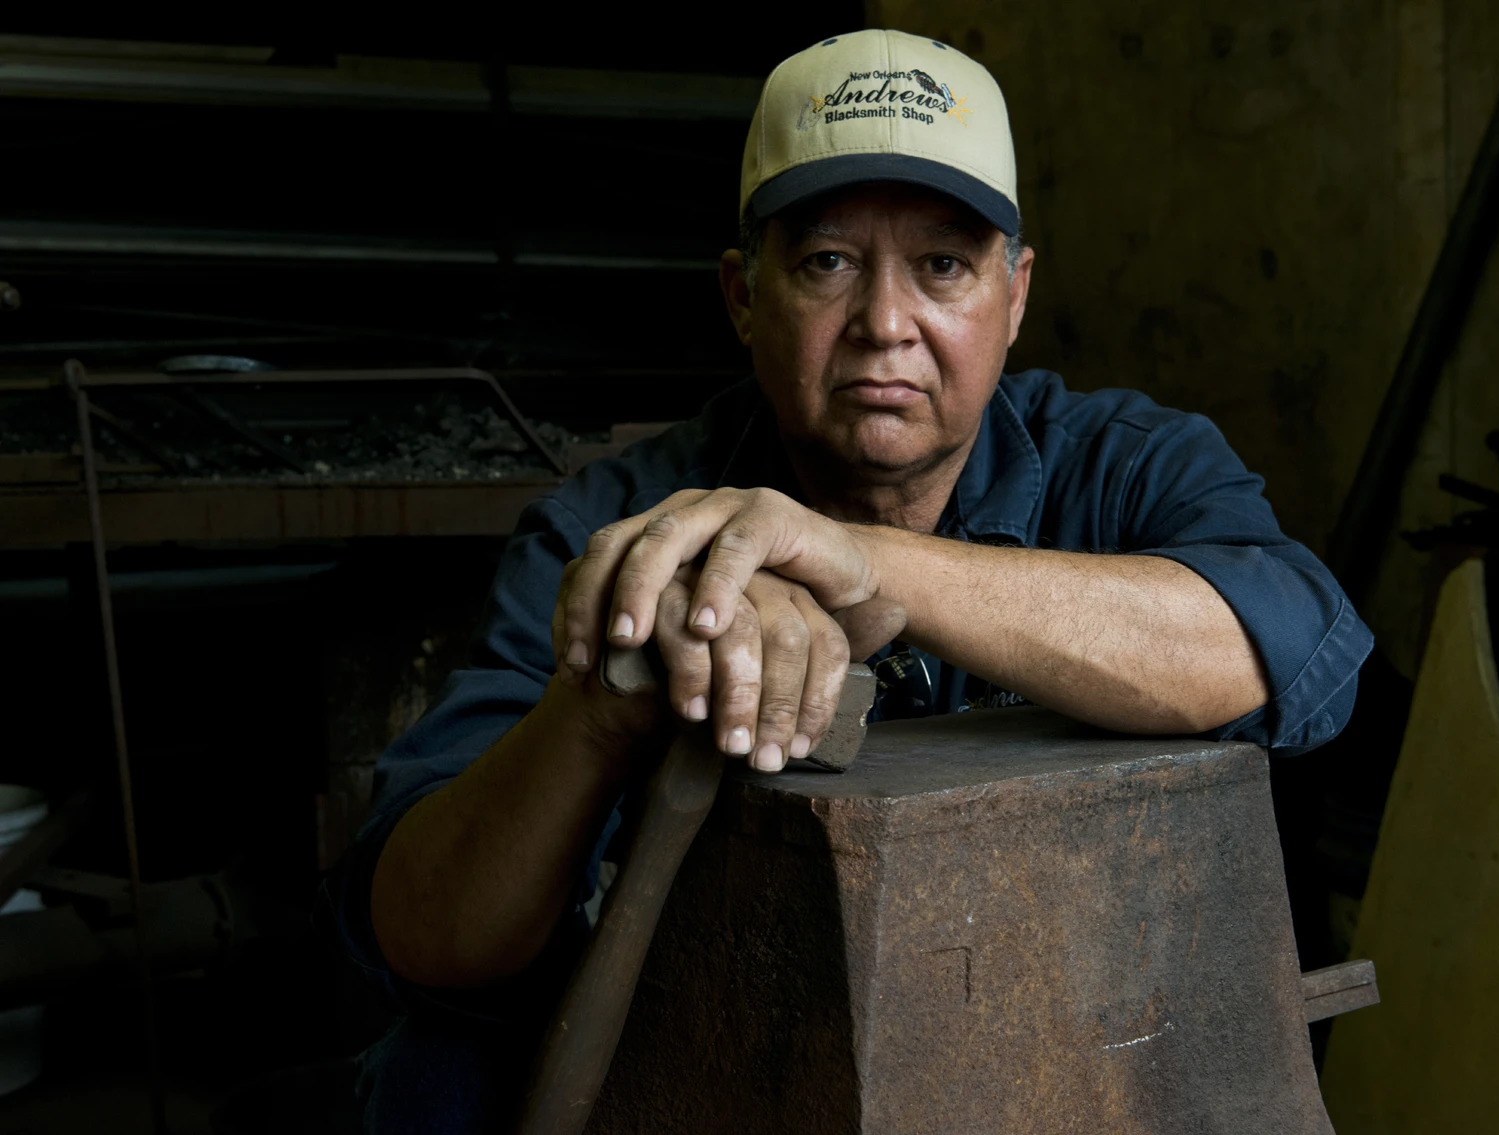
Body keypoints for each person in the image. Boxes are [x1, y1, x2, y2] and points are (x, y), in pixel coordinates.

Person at [325, 28, 1372, 1133]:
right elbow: (427, 935)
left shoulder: (1126, 466)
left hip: (1071, 1033)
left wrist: (859, 562)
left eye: (944, 266)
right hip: (728, 1060)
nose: (885, 324)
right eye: (827, 262)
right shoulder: (620, 530)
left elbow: (1288, 649)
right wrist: (613, 695)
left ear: (1014, 296)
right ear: (742, 294)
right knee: (435, 1077)